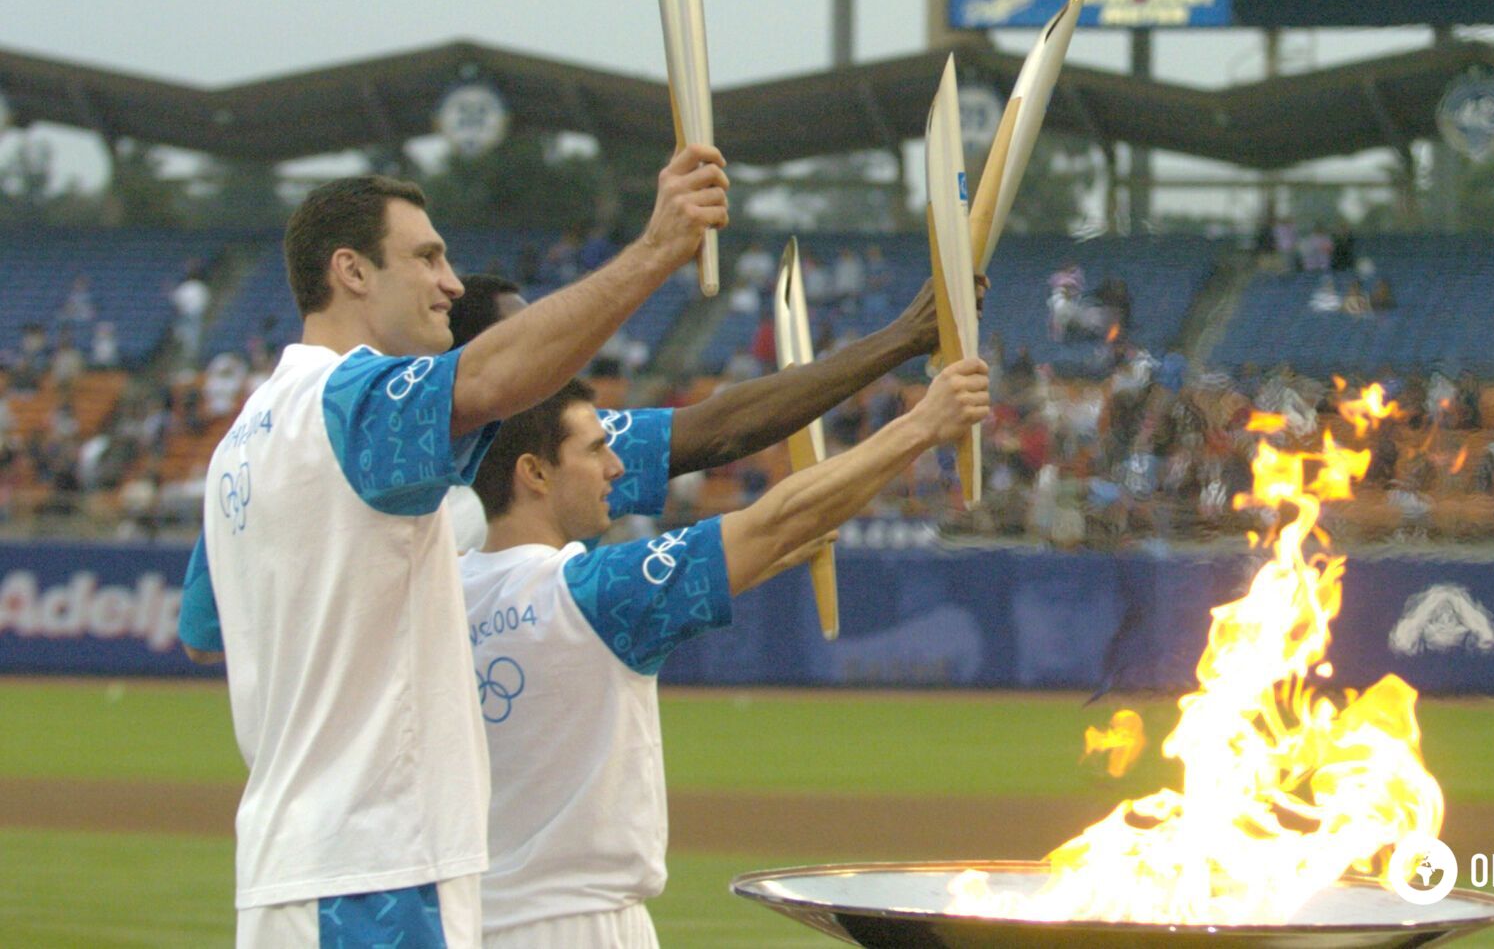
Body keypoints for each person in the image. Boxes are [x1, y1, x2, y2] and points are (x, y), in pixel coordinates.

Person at [176, 148, 727, 947]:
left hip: (293, 869)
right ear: (352, 272)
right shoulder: (349, 402)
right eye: (427, 257)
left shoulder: (243, 439)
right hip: (373, 873)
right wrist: (656, 251)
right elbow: (493, 380)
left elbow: (203, 636)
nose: (452, 283)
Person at [462, 362, 988, 947]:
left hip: (469, 919)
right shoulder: (591, 593)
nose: (616, 467)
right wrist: (922, 426)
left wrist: (762, 553)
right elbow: (778, 519)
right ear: (534, 472)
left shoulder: (442, 592)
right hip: (576, 926)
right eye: (596, 451)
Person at [441, 268, 968, 555]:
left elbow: (725, 432)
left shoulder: (553, 445)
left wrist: (772, 551)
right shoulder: (420, 481)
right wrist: (901, 346)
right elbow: (722, 431)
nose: (548, 350)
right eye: (522, 339)